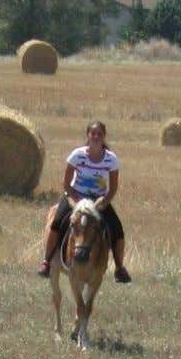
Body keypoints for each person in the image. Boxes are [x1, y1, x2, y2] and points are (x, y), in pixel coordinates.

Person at [38, 120, 132, 283]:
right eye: (93, 133)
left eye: (99, 134)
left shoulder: (111, 159)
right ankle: (46, 261)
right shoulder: (77, 155)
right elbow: (66, 184)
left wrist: (104, 202)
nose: (96, 137)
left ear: (104, 137)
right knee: (57, 222)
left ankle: (119, 267)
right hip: (75, 195)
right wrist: (75, 201)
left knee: (117, 230)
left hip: (98, 201)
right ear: (88, 135)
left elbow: (113, 188)